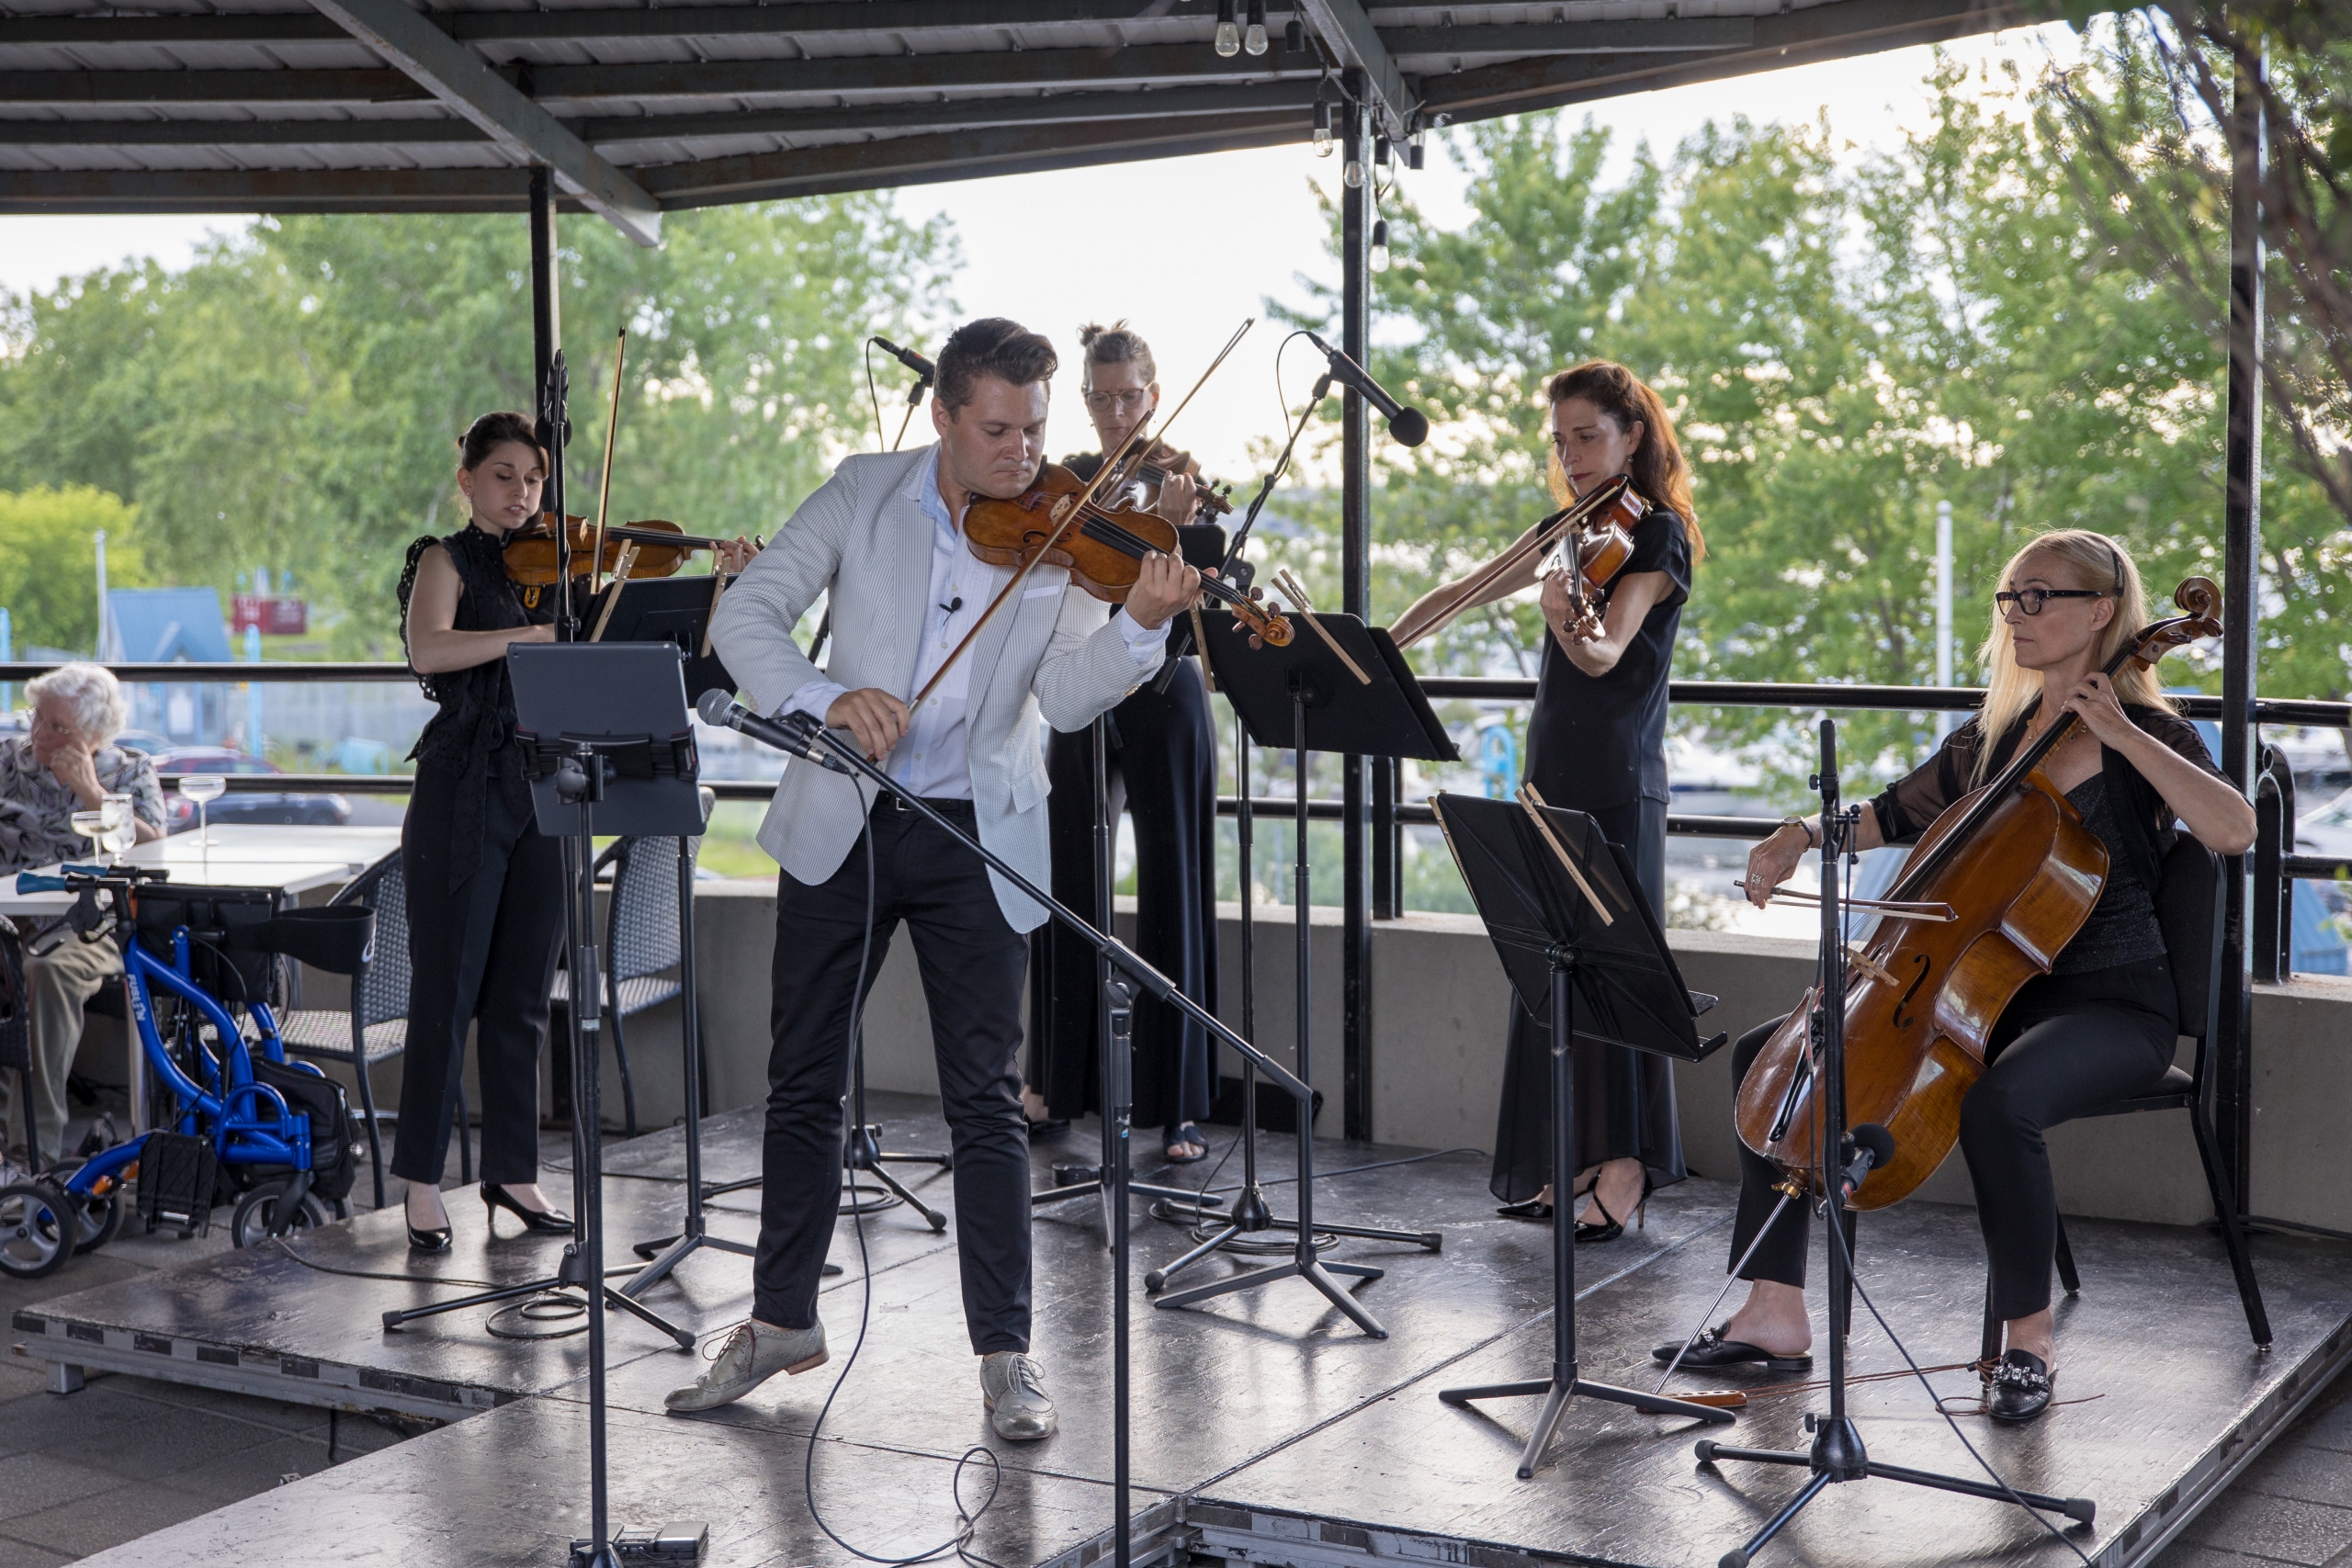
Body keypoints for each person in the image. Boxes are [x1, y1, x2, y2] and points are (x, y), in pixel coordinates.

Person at [667, 318, 1202, 1440]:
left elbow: (1066, 697)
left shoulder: (1063, 534)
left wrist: (1142, 626)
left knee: (986, 1104)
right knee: (803, 1080)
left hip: (978, 832)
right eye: (997, 430)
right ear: (943, 417)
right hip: (846, 816)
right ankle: (778, 1324)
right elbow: (749, 616)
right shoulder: (864, 493)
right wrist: (825, 700)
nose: (1023, 454)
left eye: (1035, 430)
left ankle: (1007, 1359)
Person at [1669, 529, 2256, 1423]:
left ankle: (2026, 1344)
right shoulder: (1991, 741)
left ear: (2100, 612)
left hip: (2113, 1004)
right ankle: (1775, 1312)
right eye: (2008, 598)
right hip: (1986, 1000)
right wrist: (1793, 836)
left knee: (1999, 1103)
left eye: (2039, 597)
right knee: (1781, 1055)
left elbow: (2232, 829)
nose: (2016, 615)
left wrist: (2121, 737)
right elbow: (1883, 816)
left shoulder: (2152, 737)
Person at [1392, 361, 1702, 1242]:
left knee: (1615, 970)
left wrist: (1567, 613)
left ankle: (1627, 1167)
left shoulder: (1658, 534)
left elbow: (1604, 656)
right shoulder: (1567, 527)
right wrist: (1380, 641)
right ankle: (1567, 1158)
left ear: (1632, 435)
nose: (1571, 456)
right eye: (1561, 439)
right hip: (1553, 768)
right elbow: (1461, 590)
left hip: (1619, 776)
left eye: (1588, 437)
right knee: (1555, 963)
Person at [1026, 321, 1220, 1165]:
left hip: (1165, 689)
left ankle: (1175, 1102)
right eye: (1100, 397)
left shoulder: (1185, 478)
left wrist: (1176, 533)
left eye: (1128, 397)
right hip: (1083, 684)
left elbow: (1207, 588)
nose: (1114, 412)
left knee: (1174, 881)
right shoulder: (1066, 480)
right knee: (1066, 877)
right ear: (1085, 398)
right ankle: (1055, 1082)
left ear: (1152, 392)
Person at [391, 412, 575, 1253]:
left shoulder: (562, 568)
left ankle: (512, 1172)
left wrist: (726, 578)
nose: (522, 492)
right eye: (504, 475)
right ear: (467, 479)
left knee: (523, 996)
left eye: (532, 479)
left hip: (545, 789)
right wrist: (531, 637)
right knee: (446, 991)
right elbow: (428, 647)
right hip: (462, 791)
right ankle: (422, 1182)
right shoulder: (445, 558)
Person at [0, 664, 165, 1173]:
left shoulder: (130, 771)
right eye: (38, 719)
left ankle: (33, 1149)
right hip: (11, 920)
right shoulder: (8, 763)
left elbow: (155, 851)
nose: (41, 736)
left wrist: (93, 793)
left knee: (45, 974)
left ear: (95, 734)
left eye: (59, 728)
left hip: (90, 925)